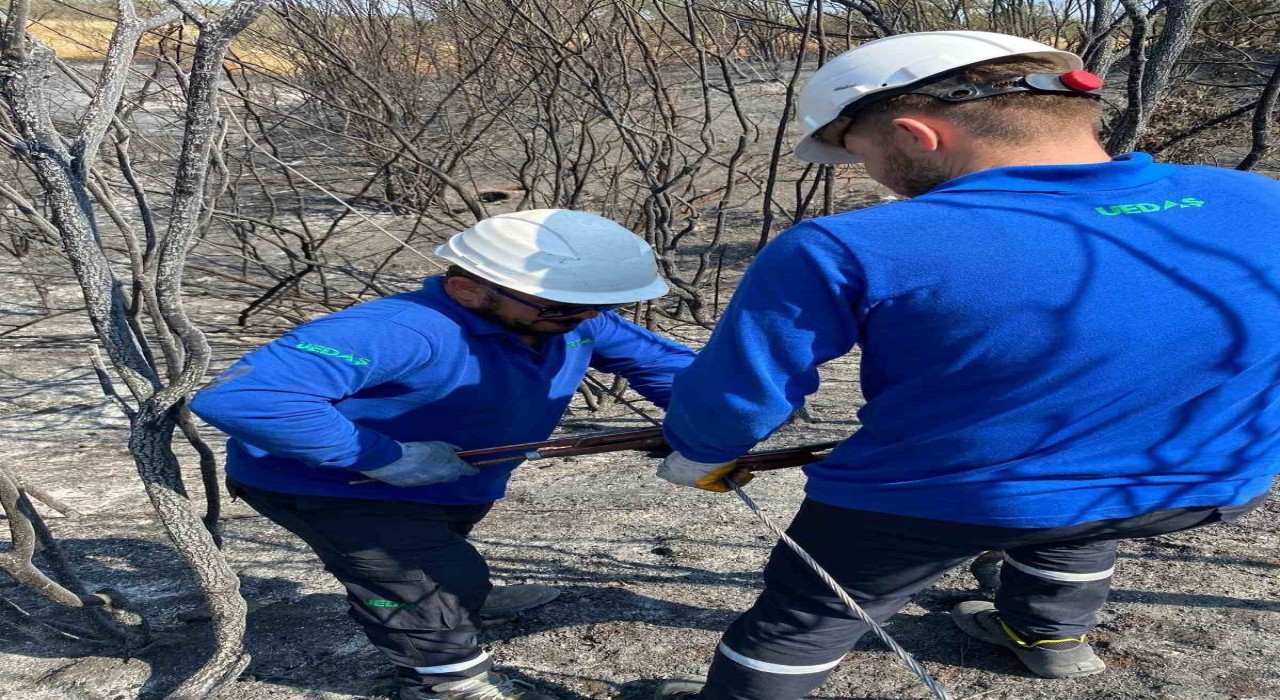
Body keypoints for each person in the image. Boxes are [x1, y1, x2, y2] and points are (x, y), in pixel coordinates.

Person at [650, 30, 1280, 700]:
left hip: (944, 502)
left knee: (805, 617)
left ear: (917, 134)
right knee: (1071, 513)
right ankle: (1048, 639)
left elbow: (737, 398)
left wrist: (700, 452)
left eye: (861, 154)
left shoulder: (849, 247)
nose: (870, 175)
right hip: (1206, 487)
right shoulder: (1259, 200)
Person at [191, 209, 695, 700]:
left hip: (453, 477)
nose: (584, 319)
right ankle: (445, 680)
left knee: (443, 552)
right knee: (422, 583)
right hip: (331, 484)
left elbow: (663, 363)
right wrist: (381, 456)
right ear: (468, 288)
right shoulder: (402, 330)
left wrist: (708, 425)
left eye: (593, 307)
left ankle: (461, 598)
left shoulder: (569, 318)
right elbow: (244, 398)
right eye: (563, 308)